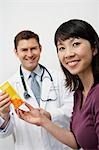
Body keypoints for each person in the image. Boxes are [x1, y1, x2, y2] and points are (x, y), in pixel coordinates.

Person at [16, 19, 99, 150]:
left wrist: (50, 115)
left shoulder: (96, 94)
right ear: (16, 52)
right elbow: (76, 142)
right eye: (61, 48)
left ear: (94, 48)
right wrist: (43, 121)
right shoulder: (79, 93)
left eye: (76, 44)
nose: (68, 54)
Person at [0, 30, 73, 150]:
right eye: (24, 50)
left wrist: (49, 116)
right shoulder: (8, 87)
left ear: (40, 48)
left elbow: (72, 110)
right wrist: (4, 114)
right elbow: (5, 133)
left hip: (59, 146)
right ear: (16, 52)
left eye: (33, 48)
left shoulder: (60, 78)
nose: (29, 54)